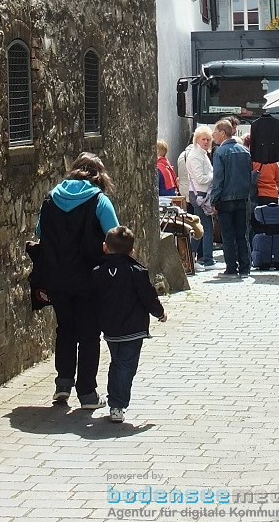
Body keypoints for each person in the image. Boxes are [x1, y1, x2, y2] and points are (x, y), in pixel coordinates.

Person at [36, 153, 118, 408]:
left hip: (57, 277)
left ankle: (62, 385)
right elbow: (115, 236)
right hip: (90, 279)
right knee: (90, 335)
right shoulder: (99, 200)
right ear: (99, 175)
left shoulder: (51, 199)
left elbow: (40, 232)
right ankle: (87, 394)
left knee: (65, 330)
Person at [92, 226, 166, 423]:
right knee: (126, 366)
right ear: (132, 251)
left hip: (110, 329)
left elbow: (93, 299)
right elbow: (148, 297)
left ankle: (114, 400)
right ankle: (117, 405)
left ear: (105, 247)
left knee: (117, 363)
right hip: (133, 329)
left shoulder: (97, 272)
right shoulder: (137, 272)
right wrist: (160, 313)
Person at [210, 118, 253, 277]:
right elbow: (249, 176)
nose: (214, 135)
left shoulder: (220, 152)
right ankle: (245, 268)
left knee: (228, 235)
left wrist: (214, 199)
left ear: (222, 132)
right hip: (242, 198)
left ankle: (231, 268)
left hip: (226, 198)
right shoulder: (244, 150)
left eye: (215, 132)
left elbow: (218, 179)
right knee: (242, 234)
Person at [186, 125, 216, 268]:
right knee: (206, 227)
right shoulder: (195, 155)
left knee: (201, 227)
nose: (206, 141)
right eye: (203, 139)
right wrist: (215, 174)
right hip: (199, 195)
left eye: (208, 139)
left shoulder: (202, 154)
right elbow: (201, 178)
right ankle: (207, 259)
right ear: (197, 139)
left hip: (202, 194)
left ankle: (191, 257)